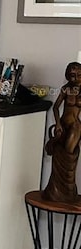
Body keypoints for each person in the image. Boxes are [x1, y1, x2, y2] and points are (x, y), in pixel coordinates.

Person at [43, 61, 81, 204]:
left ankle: (68, 190)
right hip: (63, 125)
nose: (75, 77)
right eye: (72, 74)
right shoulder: (66, 89)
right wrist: (58, 124)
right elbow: (55, 107)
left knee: (69, 155)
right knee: (59, 152)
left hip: (75, 126)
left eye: (78, 74)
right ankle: (57, 190)